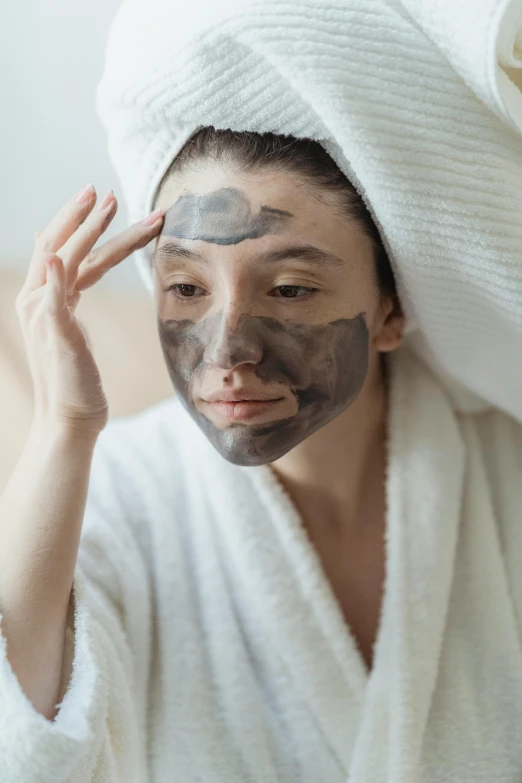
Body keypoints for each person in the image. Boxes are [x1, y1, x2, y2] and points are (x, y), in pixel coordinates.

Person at [0, 126, 409, 780]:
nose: (224, 352)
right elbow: (20, 739)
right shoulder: (119, 491)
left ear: (390, 309)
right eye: (187, 288)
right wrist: (63, 424)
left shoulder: (496, 476)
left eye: (290, 289)